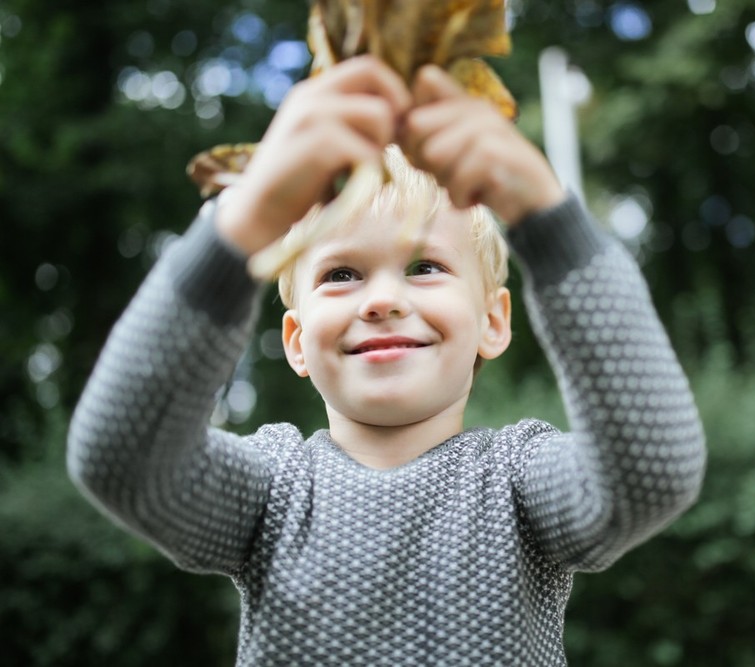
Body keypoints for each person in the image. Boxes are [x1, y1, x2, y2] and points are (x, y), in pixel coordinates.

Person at [67, 56, 706, 666]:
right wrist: (242, 228)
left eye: (425, 267)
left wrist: (550, 221)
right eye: (341, 274)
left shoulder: (518, 483)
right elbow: (121, 462)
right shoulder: (271, 488)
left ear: (492, 321)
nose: (381, 300)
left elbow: (651, 474)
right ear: (296, 341)